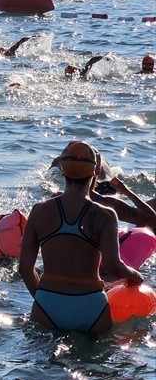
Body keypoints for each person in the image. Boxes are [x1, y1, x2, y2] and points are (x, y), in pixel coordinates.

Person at [18, 141, 143, 334]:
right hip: (91, 304)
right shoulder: (106, 215)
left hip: (48, 302)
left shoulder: (39, 211)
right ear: (96, 172)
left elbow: (25, 268)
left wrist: (43, 299)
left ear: (62, 170)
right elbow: (113, 266)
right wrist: (135, 275)